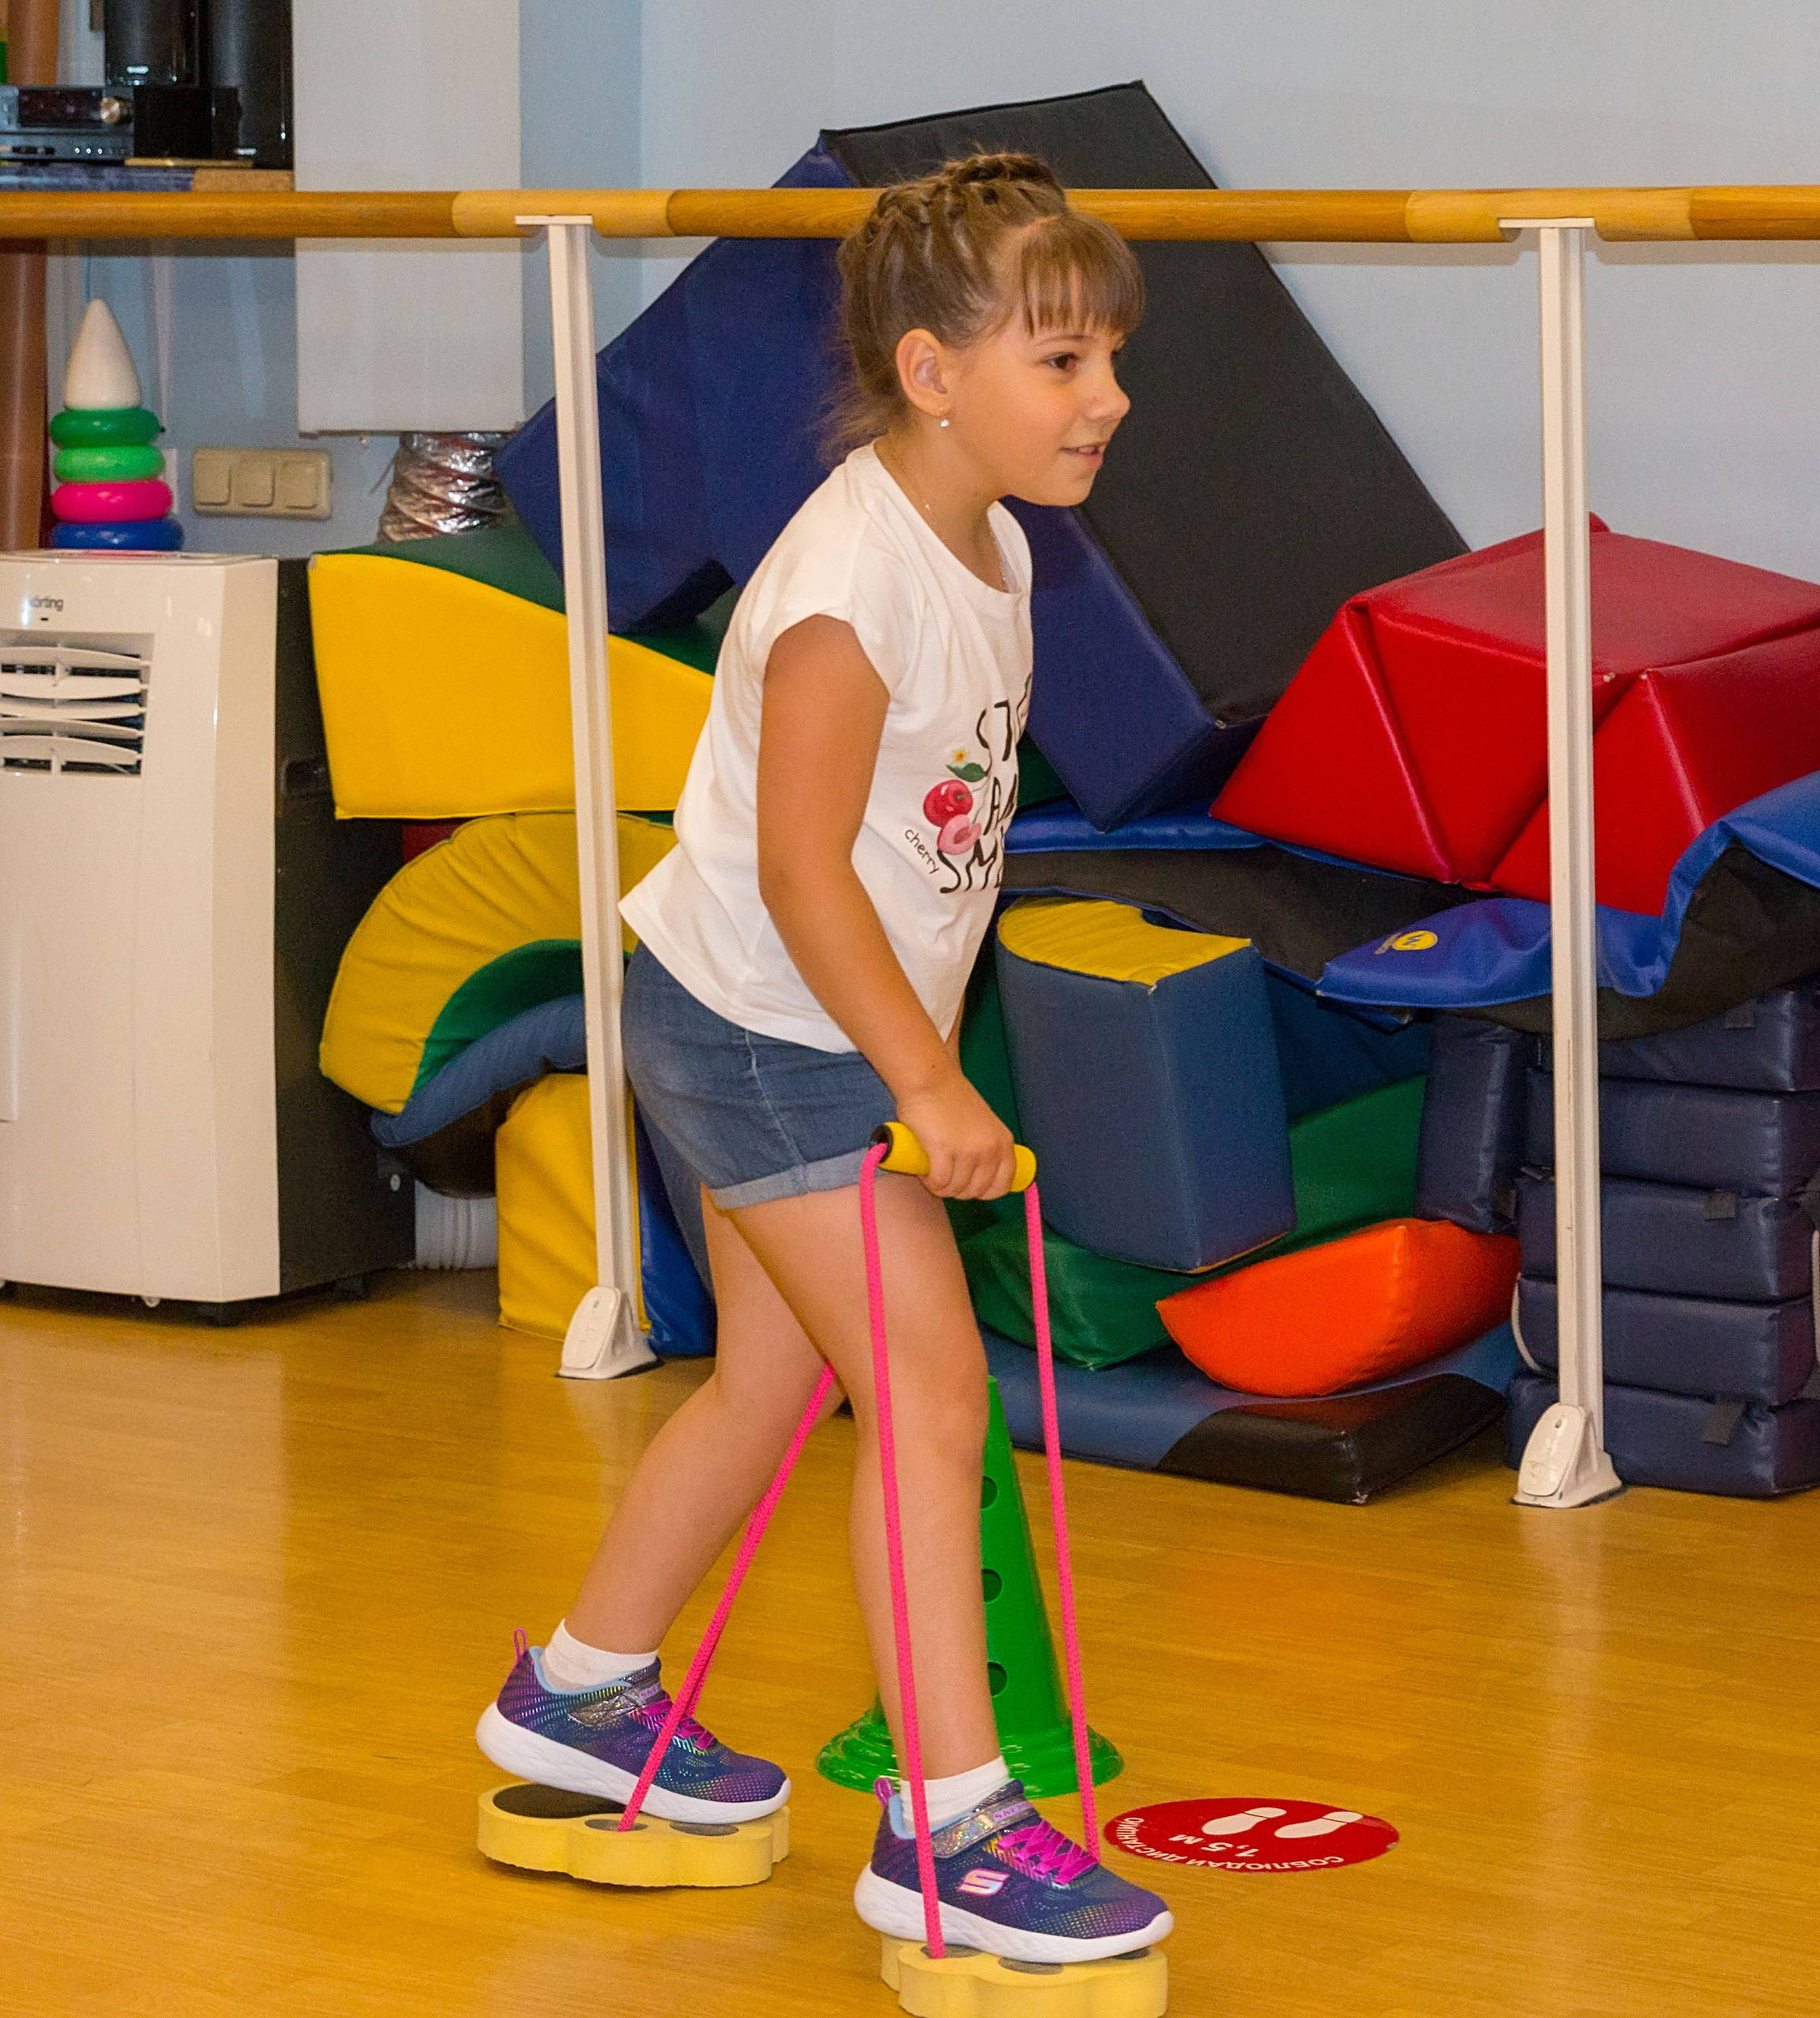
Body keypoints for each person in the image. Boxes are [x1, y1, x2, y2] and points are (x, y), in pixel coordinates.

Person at [477, 152, 1174, 1963]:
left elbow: (916, 856)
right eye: (1063, 362)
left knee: (776, 1388)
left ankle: (579, 1685)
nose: (1104, 397)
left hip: (808, 1025)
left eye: (1107, 357)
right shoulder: (849, 588)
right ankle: (951, 1826)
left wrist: (916, 1052)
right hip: (759, 1029)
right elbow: (798, 869)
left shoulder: (1001, 540)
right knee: (933, 1399)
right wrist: (921, 1084)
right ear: (934, 372)